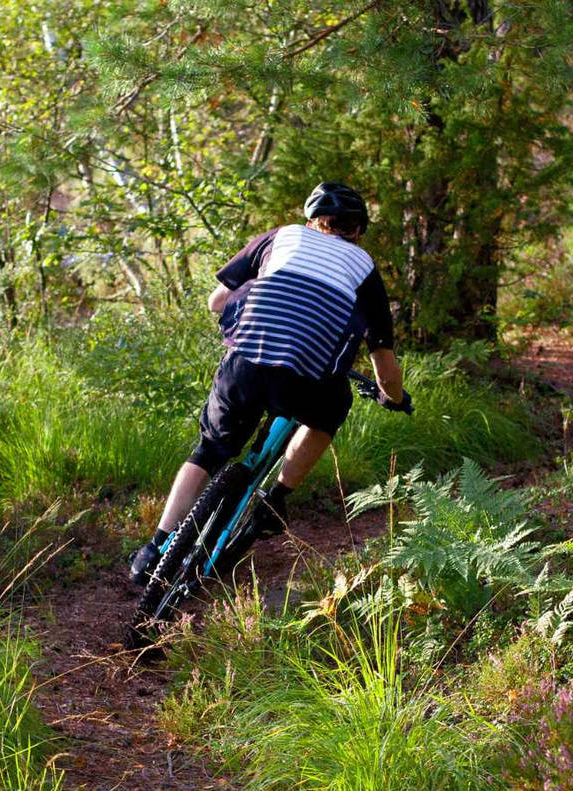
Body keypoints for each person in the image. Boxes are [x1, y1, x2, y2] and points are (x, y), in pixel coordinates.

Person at [129, 181, 410, 588]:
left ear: (312, 220)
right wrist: (394, 397)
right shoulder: (364, 267)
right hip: (309, 380)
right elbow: (383, 358)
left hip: (246, 364)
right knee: (328, 414)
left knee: (208, 452)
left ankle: (154, 547)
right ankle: (275, 501)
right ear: (358, 231)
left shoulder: (280, 237)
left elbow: (216, 302)